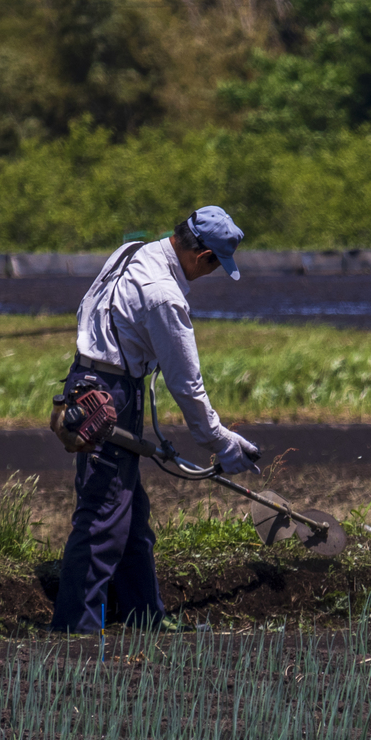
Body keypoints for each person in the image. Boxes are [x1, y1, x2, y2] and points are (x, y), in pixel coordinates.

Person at [50, 207, 262, 633]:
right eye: (217, 264)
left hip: (89, 379)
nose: (213, 273)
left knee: (128, 514)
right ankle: (76, 630)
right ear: (202, 256)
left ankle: (144, 618)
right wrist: (221, 443)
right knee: (104, 516)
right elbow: (187, 385)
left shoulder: (132, 251)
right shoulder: (165, 295)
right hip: (112, 392)